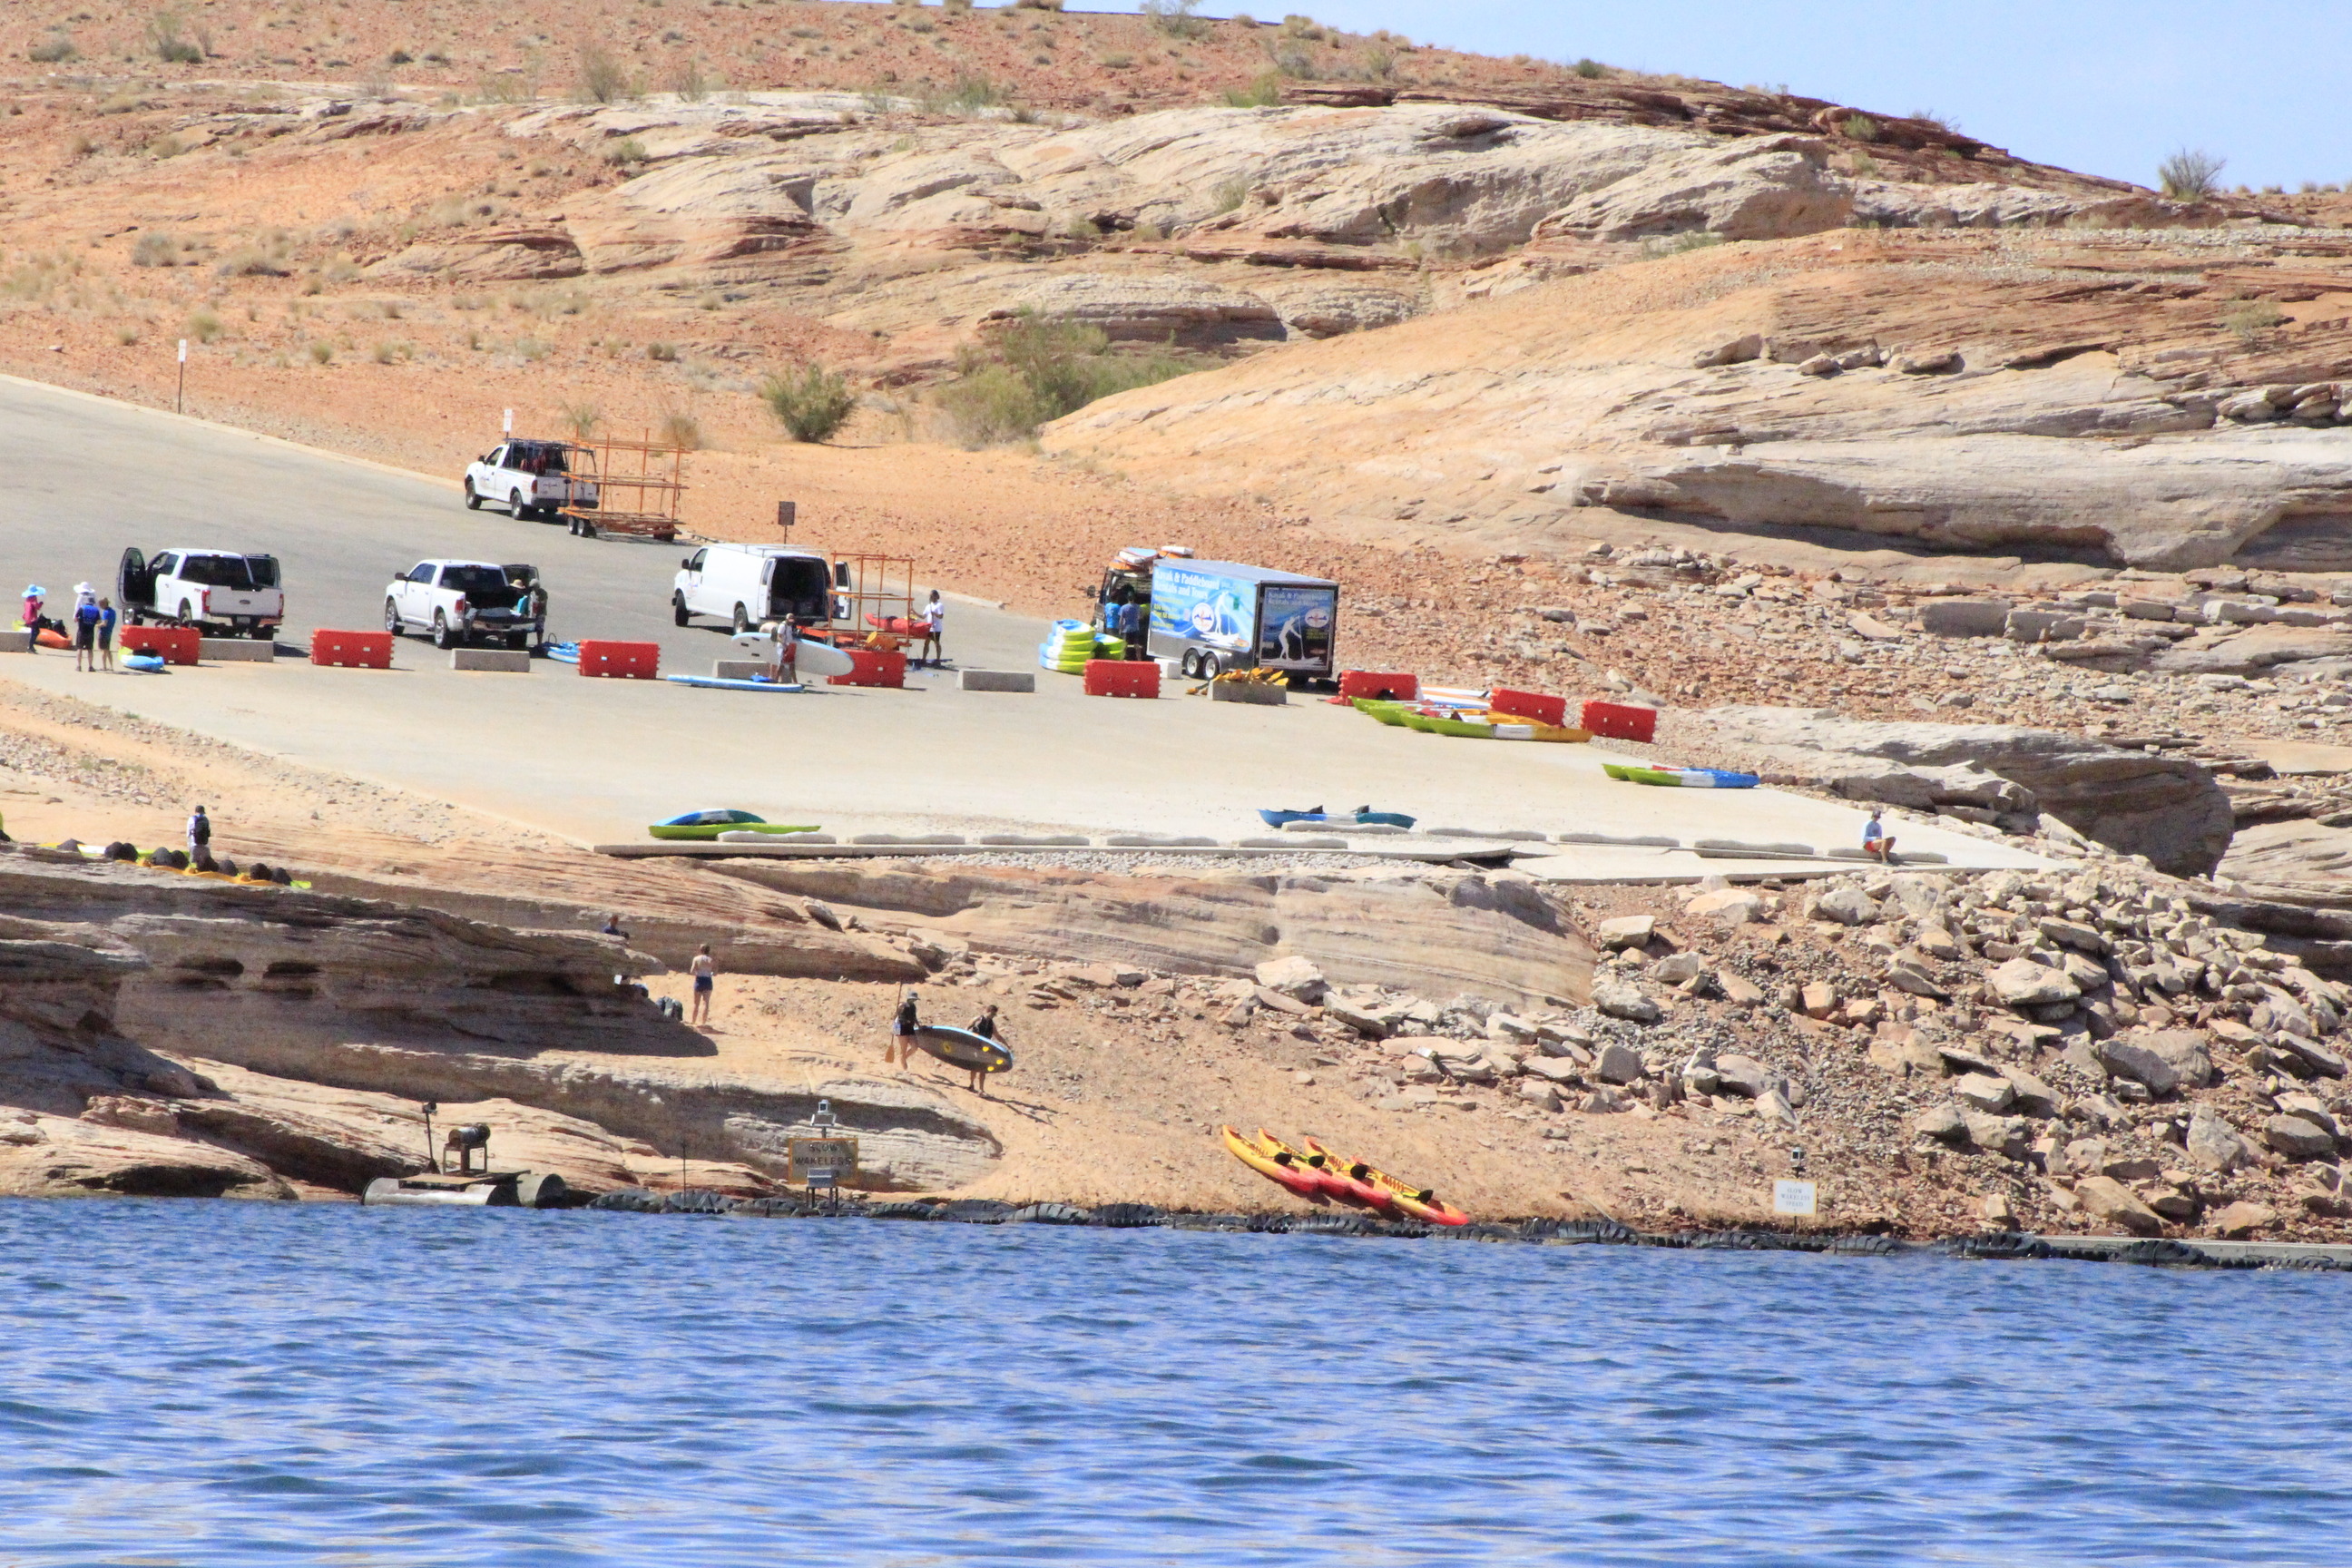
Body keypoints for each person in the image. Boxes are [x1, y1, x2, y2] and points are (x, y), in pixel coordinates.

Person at [965, 1003, 1003, 1097]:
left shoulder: (991, 1024)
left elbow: (997, 1035)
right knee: (974, 1067)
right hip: (975, 1046)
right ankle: (971, 1084)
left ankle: (981, 1089)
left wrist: (1006, 1045)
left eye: (994, 1015)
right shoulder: (978, 1019)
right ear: (988, 1011)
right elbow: (966, 1028)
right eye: (993, 1014)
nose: (993, 1016)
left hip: (984, 1048)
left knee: (983, 1068)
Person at [888, 990, 921, 1070]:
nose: (913, 1001)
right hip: (900, 1028)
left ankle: (903, 1058)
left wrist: (918, 1024)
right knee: (904, 1048)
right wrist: (907, 1021)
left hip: (909, 1028)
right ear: (908, 999)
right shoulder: (902, 1006)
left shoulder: (913, 1007)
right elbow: (900, 1018)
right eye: (912, 999)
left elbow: (914, 1017)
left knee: (915, 1046)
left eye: (914, 999)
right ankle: (904, 1066)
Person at [689, 943, 715, 1025]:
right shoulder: (711, 960)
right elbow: (715, 973)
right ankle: (703, 1023)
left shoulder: (696, 959)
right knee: (706, 1003)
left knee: (696, 1003)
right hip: (708, 981)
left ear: (700, 950)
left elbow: (692, 971)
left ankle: (693, 1021)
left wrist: (698, 973)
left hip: (699, 981)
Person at [72, 595, 101, 672]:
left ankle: (79, 666)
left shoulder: (82, 608)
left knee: (79, 649)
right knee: (90, 650)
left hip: (81, 631)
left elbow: (75, 619)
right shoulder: (96, 610)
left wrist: (80, 621)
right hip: (90, 632)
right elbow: (98, 622)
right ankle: (90, 666)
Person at [917, 589, 944, 669]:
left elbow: (941, 616)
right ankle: (924, 658)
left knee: (936, 643)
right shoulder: (928, 606)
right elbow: (923, 616)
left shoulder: (939, 605)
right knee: (926, 643)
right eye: (930, 596)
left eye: (932, 596)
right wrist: (914, 612)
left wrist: (934, 613)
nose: (931, 597)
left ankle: (938, 659)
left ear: (936, 596)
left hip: (936, 628)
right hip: (929, 627)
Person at [769, 618, 799, 684]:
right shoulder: (783, 626)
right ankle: (776, 679)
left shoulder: (790, 626)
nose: (791, 623)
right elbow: (778, 637)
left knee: (791, 664)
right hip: (783, 647)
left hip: (789, 647)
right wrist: (784, 644)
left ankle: (795, 681)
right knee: (781, 664)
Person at [95, 598, 117, 672]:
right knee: (107, 650)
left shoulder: (106, 612)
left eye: (101, 604)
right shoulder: (113, 612)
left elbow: (104, 623)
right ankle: (111, 666)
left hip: (104, 632)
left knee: (103, 650)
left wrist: (97, 625)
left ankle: (104, 666)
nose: (100, 606)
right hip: (109, 632)